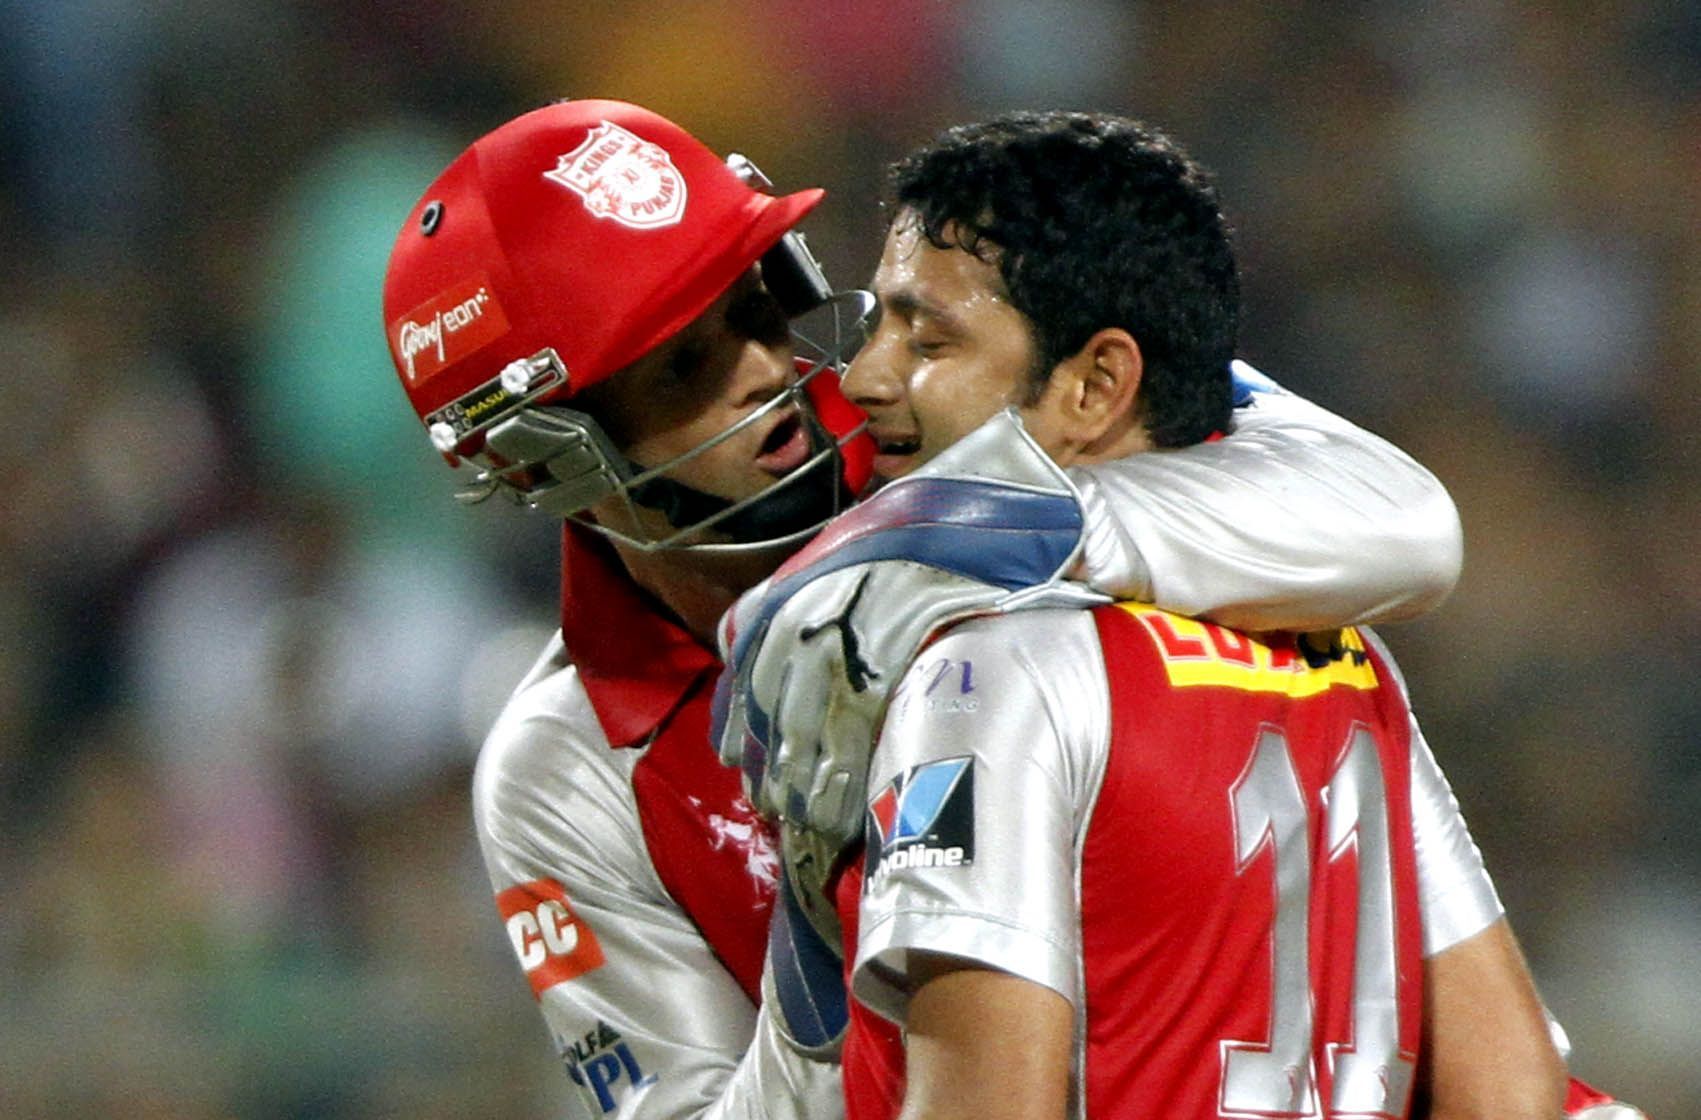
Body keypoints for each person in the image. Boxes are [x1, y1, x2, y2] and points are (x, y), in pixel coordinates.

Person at [379, 100, 1479, 1120]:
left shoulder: (945, 418)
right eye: (683, 370)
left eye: (759, 305)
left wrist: (962, 537)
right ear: (541, 466)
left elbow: (1407, 522)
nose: (769, 371)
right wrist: (817, 937)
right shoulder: (563, 765)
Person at [719, 111, 1639, 1120]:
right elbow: (1510, 1084)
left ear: (1095, 384)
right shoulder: (1341, 652)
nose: (863, 380)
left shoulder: (987, 671)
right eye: (874, 328)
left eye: (929, 338)